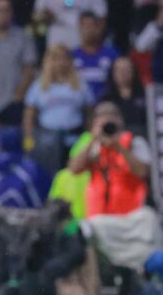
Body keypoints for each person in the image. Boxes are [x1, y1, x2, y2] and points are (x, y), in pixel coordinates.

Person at [68, 102, 150, 218]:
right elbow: (74, 169)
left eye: (112, 115)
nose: (107, 118)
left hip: (131, 215)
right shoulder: (92, 145)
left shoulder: (135, 141)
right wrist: (93, 139)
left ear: (120, 120)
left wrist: (119, 146)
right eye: (102, 116)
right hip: (99, 216)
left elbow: (142, 172)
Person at [23, 44, 94, 175]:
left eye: (64, 58)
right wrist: (28, 141)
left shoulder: (80, 84)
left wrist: (90, 137)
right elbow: (29, 116)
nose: (61, 62)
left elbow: (90, 112)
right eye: (56, 58)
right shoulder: (39, 85)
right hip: (47, 140)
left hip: (75, 137)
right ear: (49, 61)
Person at [72, 12, 118, 102]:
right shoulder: (72, 56)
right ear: (79, 29)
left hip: (107, 103)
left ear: (99, 28)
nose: (89, 30)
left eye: (92, 26)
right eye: (85, 26)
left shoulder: (112, 54)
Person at [98, 56, 147, 136]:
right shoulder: (105, 99)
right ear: (113, 73)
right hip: (115, 139)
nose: (123, 73)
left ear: (133, 71)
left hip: (142, 137)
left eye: (126, 69)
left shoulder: (145, 96)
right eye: (119, 70)